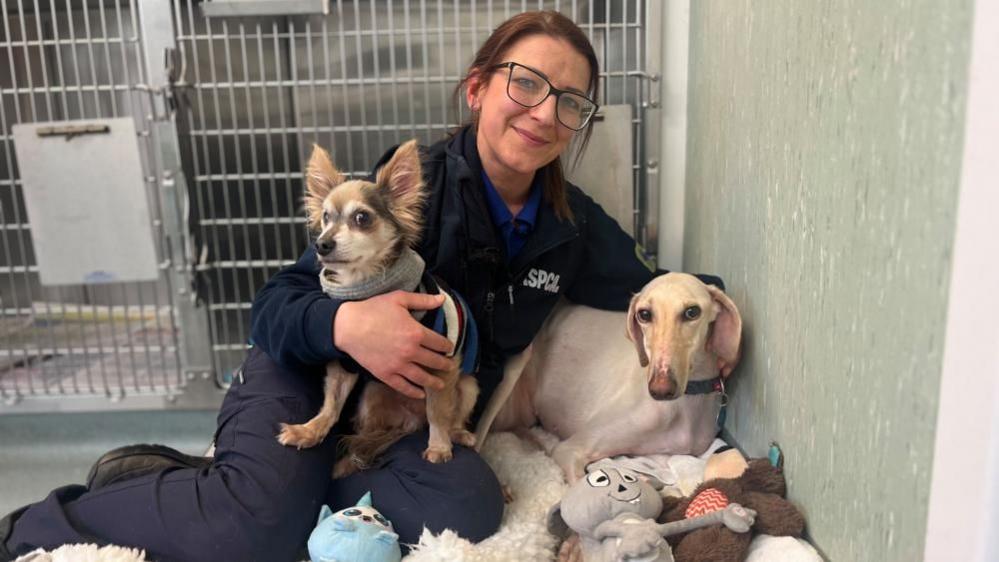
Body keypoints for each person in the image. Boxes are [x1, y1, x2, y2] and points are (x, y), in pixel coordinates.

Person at [1, 10, 722, 562]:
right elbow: (277, 303)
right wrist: (344, 328)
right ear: (477, 87)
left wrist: (713, 311)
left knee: (468, 512)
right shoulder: (407, 189)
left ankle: (240, 483)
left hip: (406, 409)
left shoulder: (572, 225)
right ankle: (40, 523)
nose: (543, 112)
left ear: (578, 124)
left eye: (570, 101)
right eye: (525, 83)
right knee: (252, 529)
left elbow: (666, 290)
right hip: (312, 372)